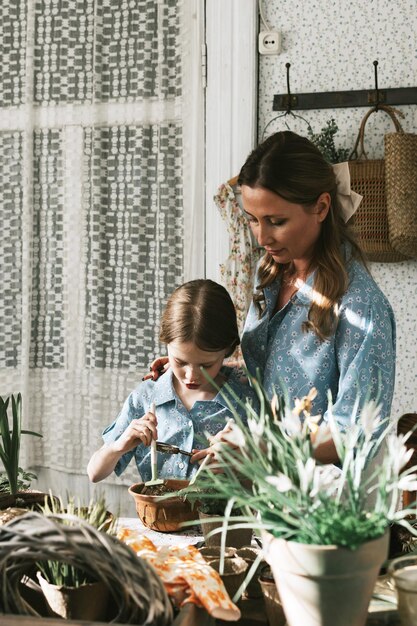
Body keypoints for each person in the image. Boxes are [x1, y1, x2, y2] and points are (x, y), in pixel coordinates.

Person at [237, 130, 396, 464]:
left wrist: (266, 451)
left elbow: (355, 434)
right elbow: (268, 378)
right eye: (252, 220)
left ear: (322, 207)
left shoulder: (360, 307)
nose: (262, 236)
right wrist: (195, 365)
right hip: (257, 494)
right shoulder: (269, 275)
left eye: (276, 221)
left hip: (317, 506)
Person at [87, 279, 255, 484]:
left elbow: (267, 478)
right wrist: (119, 445)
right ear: (166, 345)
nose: (191, 376)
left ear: (228, 350)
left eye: (206, 365)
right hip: (157, 515)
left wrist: (242, 463)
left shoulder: (245, 400)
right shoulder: (146, 397)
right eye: (180, 362)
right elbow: (94, 473)